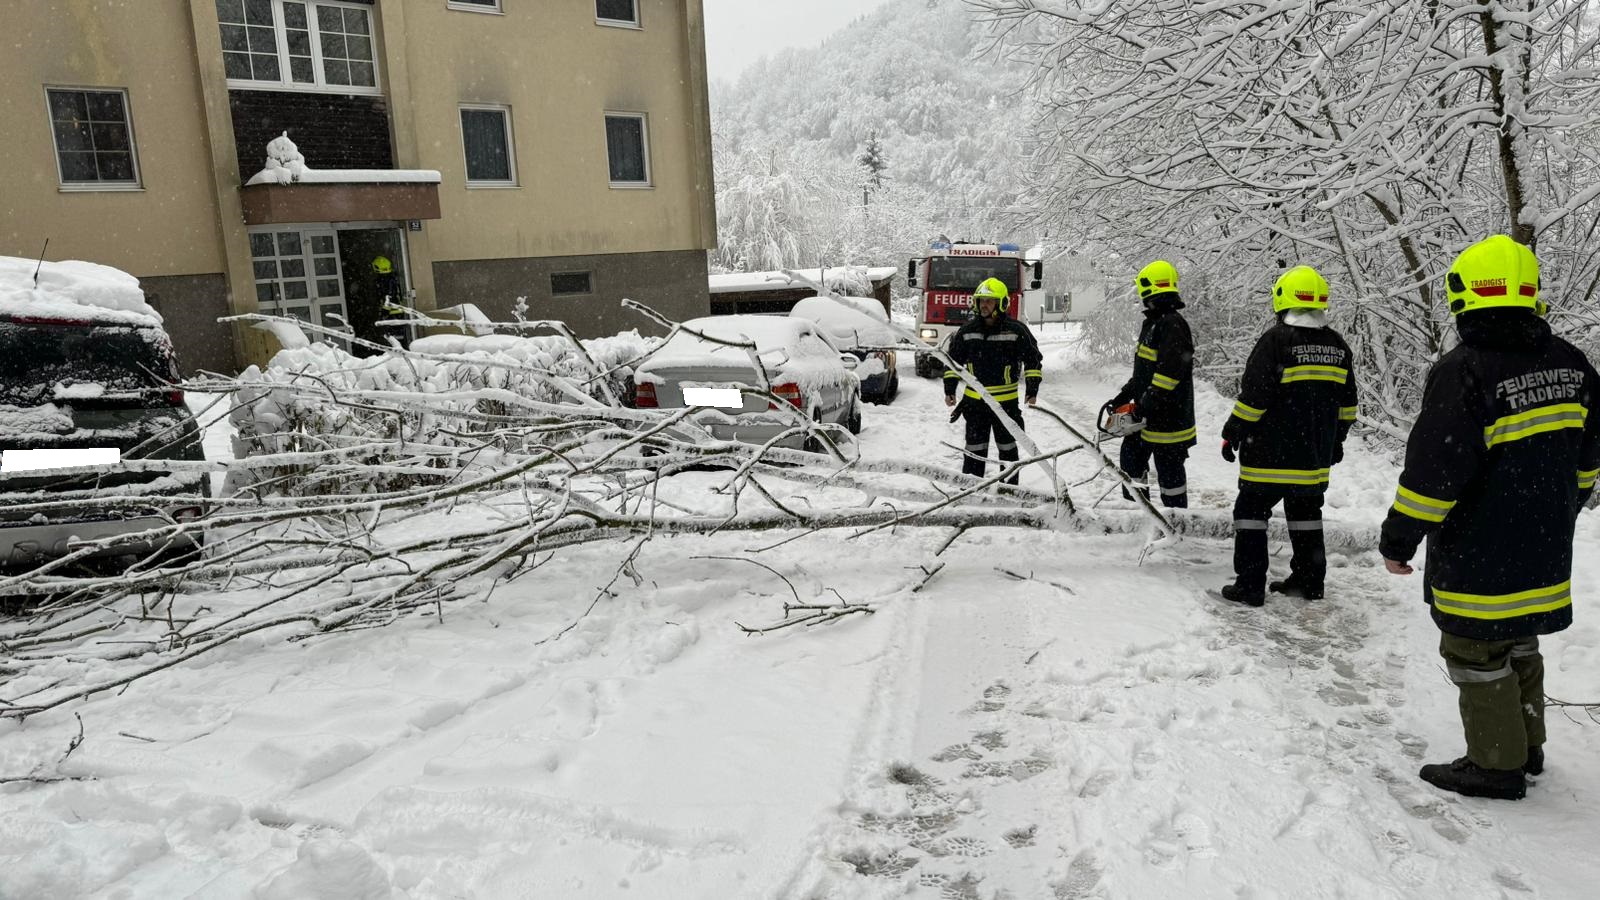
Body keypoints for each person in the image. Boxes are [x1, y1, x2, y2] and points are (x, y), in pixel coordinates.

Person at [1381, 235, 1600, 801]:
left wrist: (1400, 538)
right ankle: (1527, 748)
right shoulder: (1571, 362)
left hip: (1481, 548)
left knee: (1475, 651)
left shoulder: (1465, 370)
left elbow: (1434, 471)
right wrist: (1562, 508)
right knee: (1520, 640)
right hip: (1544, 543)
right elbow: (1588, 456)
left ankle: (1495, 765)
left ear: (1464, 296)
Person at [1218, 265, 1358, 606]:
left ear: (1281, 300)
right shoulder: (1338, 347)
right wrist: (1335, 440)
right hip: (1312, 458)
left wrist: (1232, 432)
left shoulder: (1275, 342)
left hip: (1268, 455)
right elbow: (1348, 405)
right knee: (1306, 517)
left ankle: (1250, 585)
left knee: (1250, 514)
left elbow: (1255, 398)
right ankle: (1310, 582)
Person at [1108, 260, 1196, 507]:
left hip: (1169, 420)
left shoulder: (1172, 325)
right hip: (1150, 416)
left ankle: (1175, 522)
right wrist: (1123, 397)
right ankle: (1140, 511)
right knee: (1131, 459)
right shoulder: (1154, 323)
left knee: (1170, 473)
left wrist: (1143, 405)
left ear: (1147, 289)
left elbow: (1168, 375)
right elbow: (1144, 373)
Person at [944, 277, 1043, 484]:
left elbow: (1033, 360)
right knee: (974, 450)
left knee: (1008, 451)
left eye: (989, 301)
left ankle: (1009, 492)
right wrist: (949, 389)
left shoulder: (1017, 330)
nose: (984, 305)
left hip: (1005, 406)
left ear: (1002, 303)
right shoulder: (967, 331)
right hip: (974, 405)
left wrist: (1032, 390)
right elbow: (953, 363)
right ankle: (971, 491)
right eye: (981, 301)